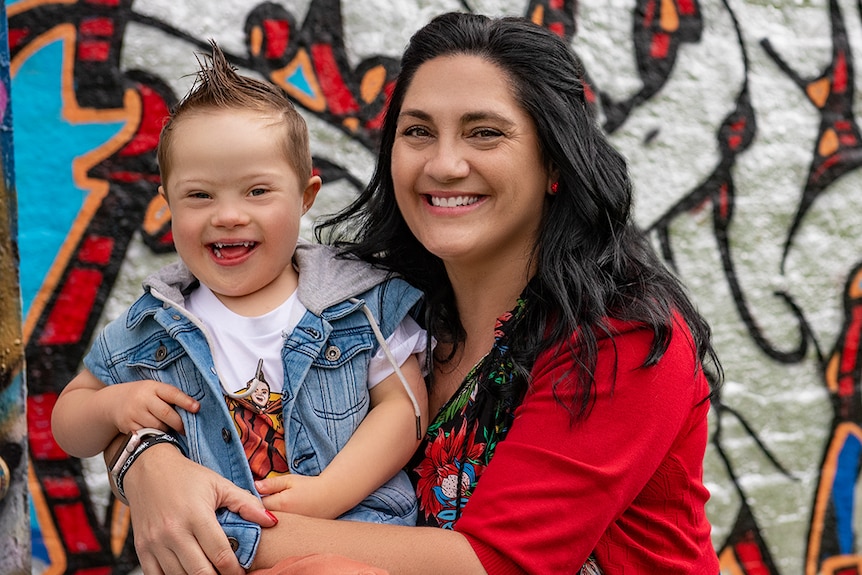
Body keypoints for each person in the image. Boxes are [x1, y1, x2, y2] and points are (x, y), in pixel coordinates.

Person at [102, 12, 722, 574]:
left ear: (554, 162)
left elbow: (495, 561)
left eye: (484, 133)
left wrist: (208, 523)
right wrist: (148, 463)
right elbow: (160, 386)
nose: (444, 164)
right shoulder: (372, 308)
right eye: (418, 131)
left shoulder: (623, 340)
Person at [50, 41, 430, 566]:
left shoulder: (359, 303)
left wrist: (329, 492)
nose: (228, 215)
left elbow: (404, 409)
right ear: (166, 206)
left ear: (305, 196)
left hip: (351, 535)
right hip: (212, 553)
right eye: (200, 196)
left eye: (257, 192)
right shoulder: (155, 324)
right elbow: (68, 420)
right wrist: (111, 406)